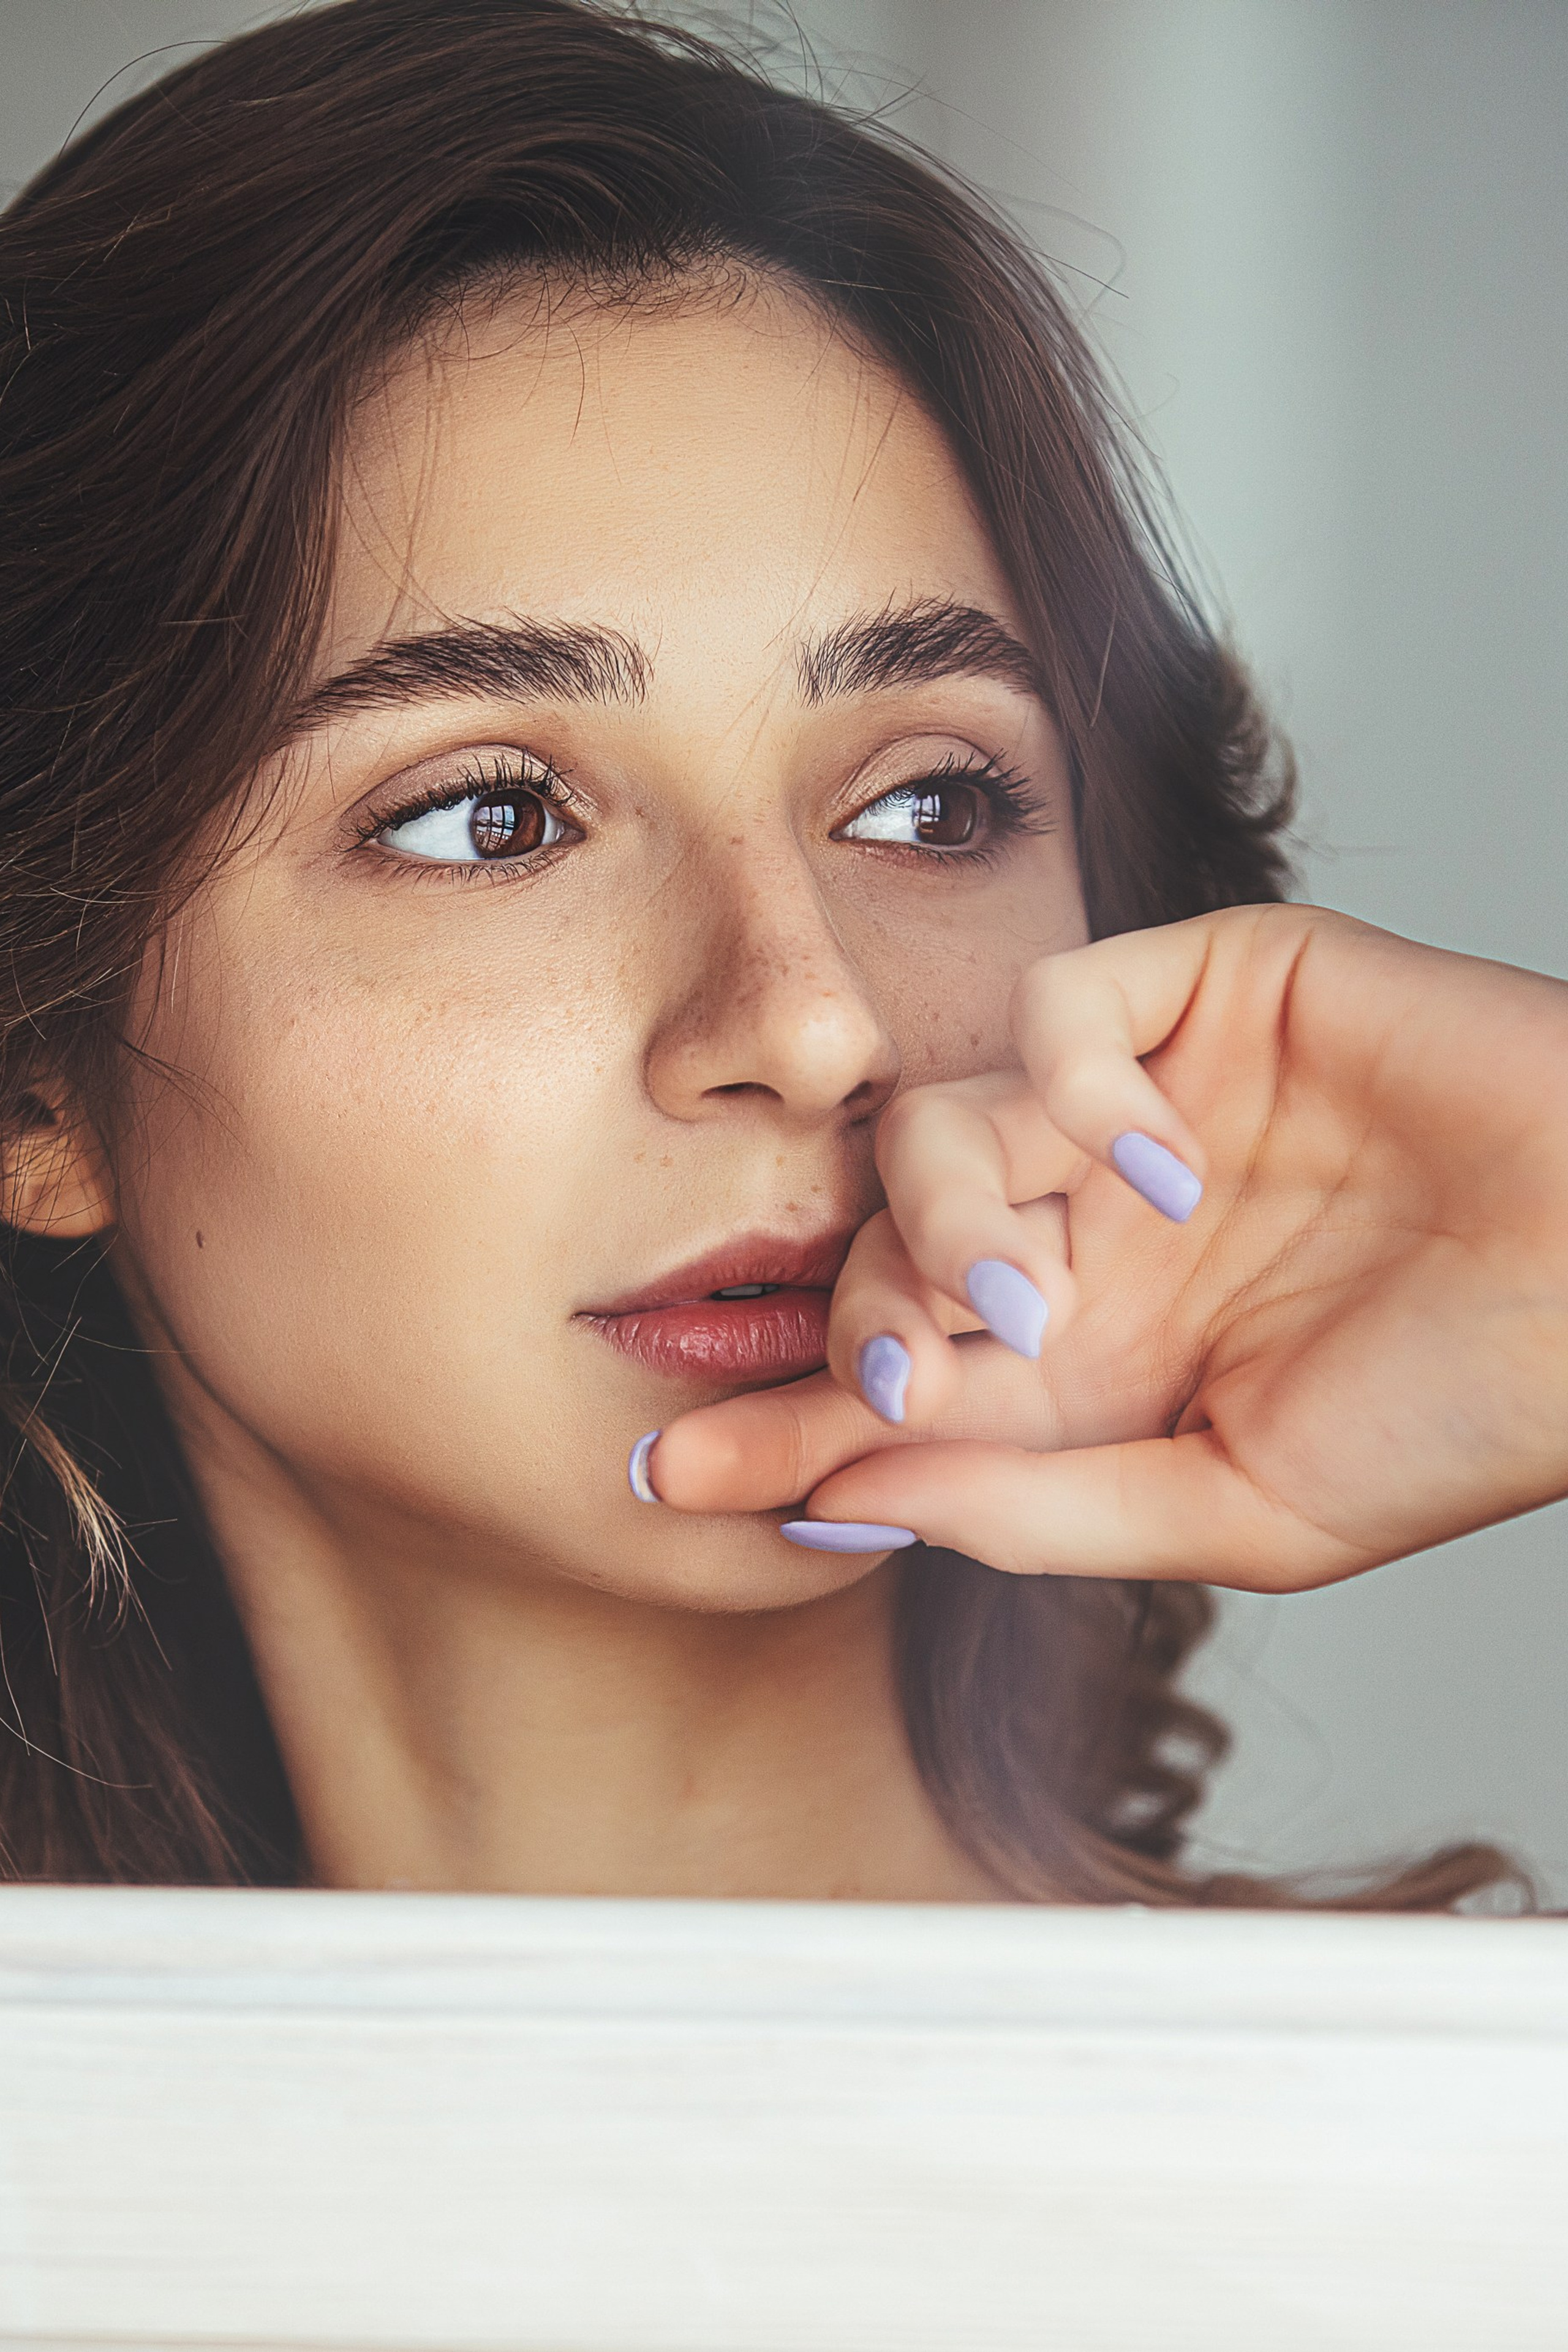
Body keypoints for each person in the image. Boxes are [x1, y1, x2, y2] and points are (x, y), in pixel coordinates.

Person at [1, 0, 1563, 1904]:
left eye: (927, 805)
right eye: (493, 816)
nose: (812, 1022)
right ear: (35, 1075)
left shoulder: (1476, 2165)